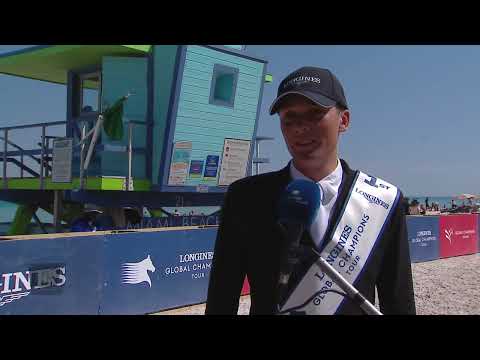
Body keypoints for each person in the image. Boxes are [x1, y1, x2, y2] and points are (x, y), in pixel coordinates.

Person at [205, 67, 416, 315]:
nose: (299, 127)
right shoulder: (246, 197)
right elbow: (222, 297)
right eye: (289, 117)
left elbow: (399, 301)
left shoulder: (383, 200)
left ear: (344, 121)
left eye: (315, 114)